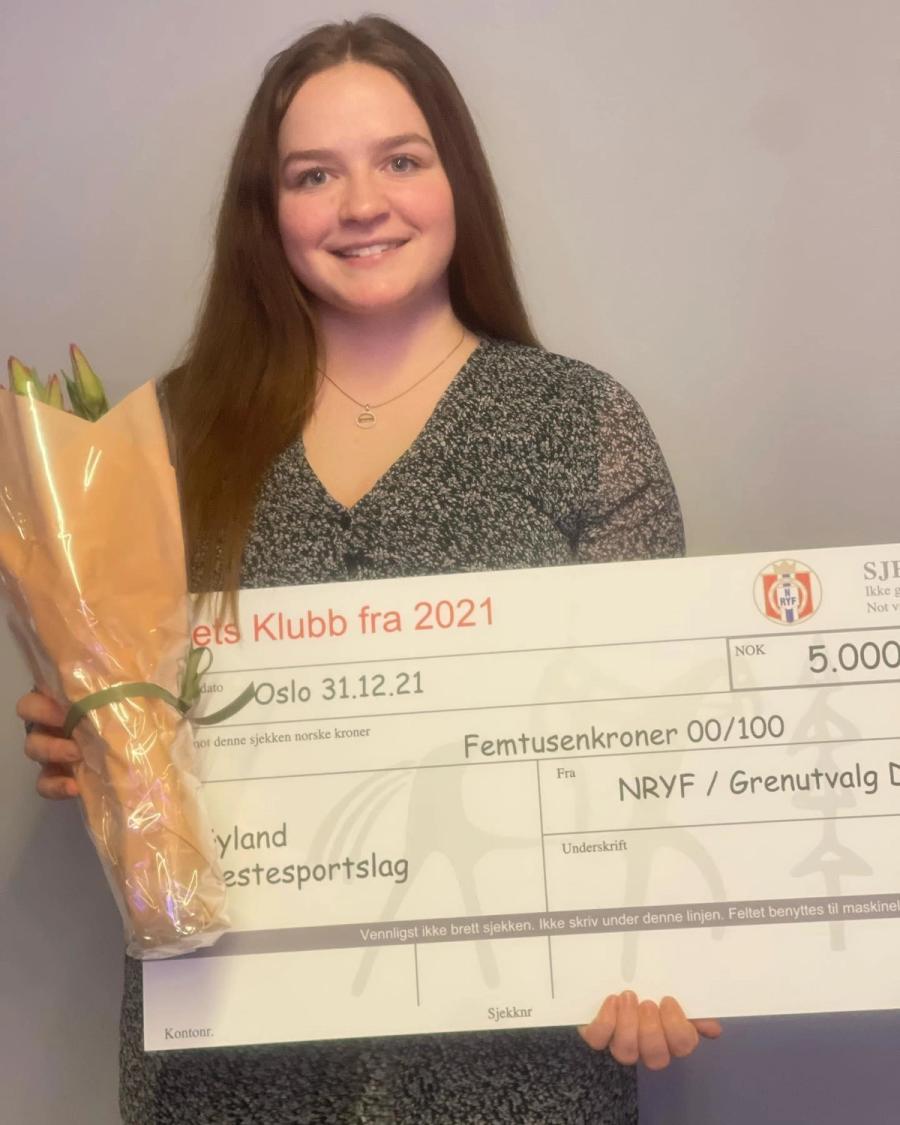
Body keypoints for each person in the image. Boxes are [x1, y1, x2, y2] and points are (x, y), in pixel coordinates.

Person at [17, 15, 720, 1124]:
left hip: (515, 1067)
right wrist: (95, 735)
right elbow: (137, 711)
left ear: (456, 180)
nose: (361, 204)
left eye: (400, 159)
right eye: (314, 175)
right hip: (231, 1063)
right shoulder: (162, 439)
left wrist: (670, 950)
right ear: (268, 210)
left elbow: (658, 749)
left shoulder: (581, 423)